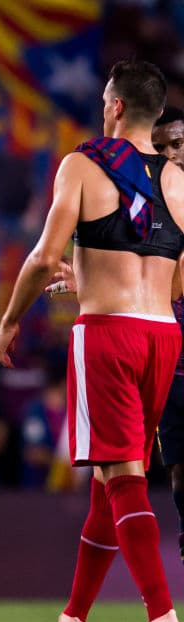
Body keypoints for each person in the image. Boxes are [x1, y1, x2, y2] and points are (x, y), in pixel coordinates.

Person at [0, 59, 184, 622]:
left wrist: (10, 320)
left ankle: (161, 620)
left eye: (107, 100)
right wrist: (99, 275)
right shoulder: (178, 179)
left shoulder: (83, 163)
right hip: (164, 333)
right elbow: (179, 283)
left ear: (117, 106)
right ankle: (73, 620)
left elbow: (44, 257)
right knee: (113, 477)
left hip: (107, 335)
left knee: (121, 477)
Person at [152, 105, 184, 565]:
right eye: (159, 148)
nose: (170, 154)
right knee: (180, 473)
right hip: (171, 361)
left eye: (177, 143)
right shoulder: (147, 211)